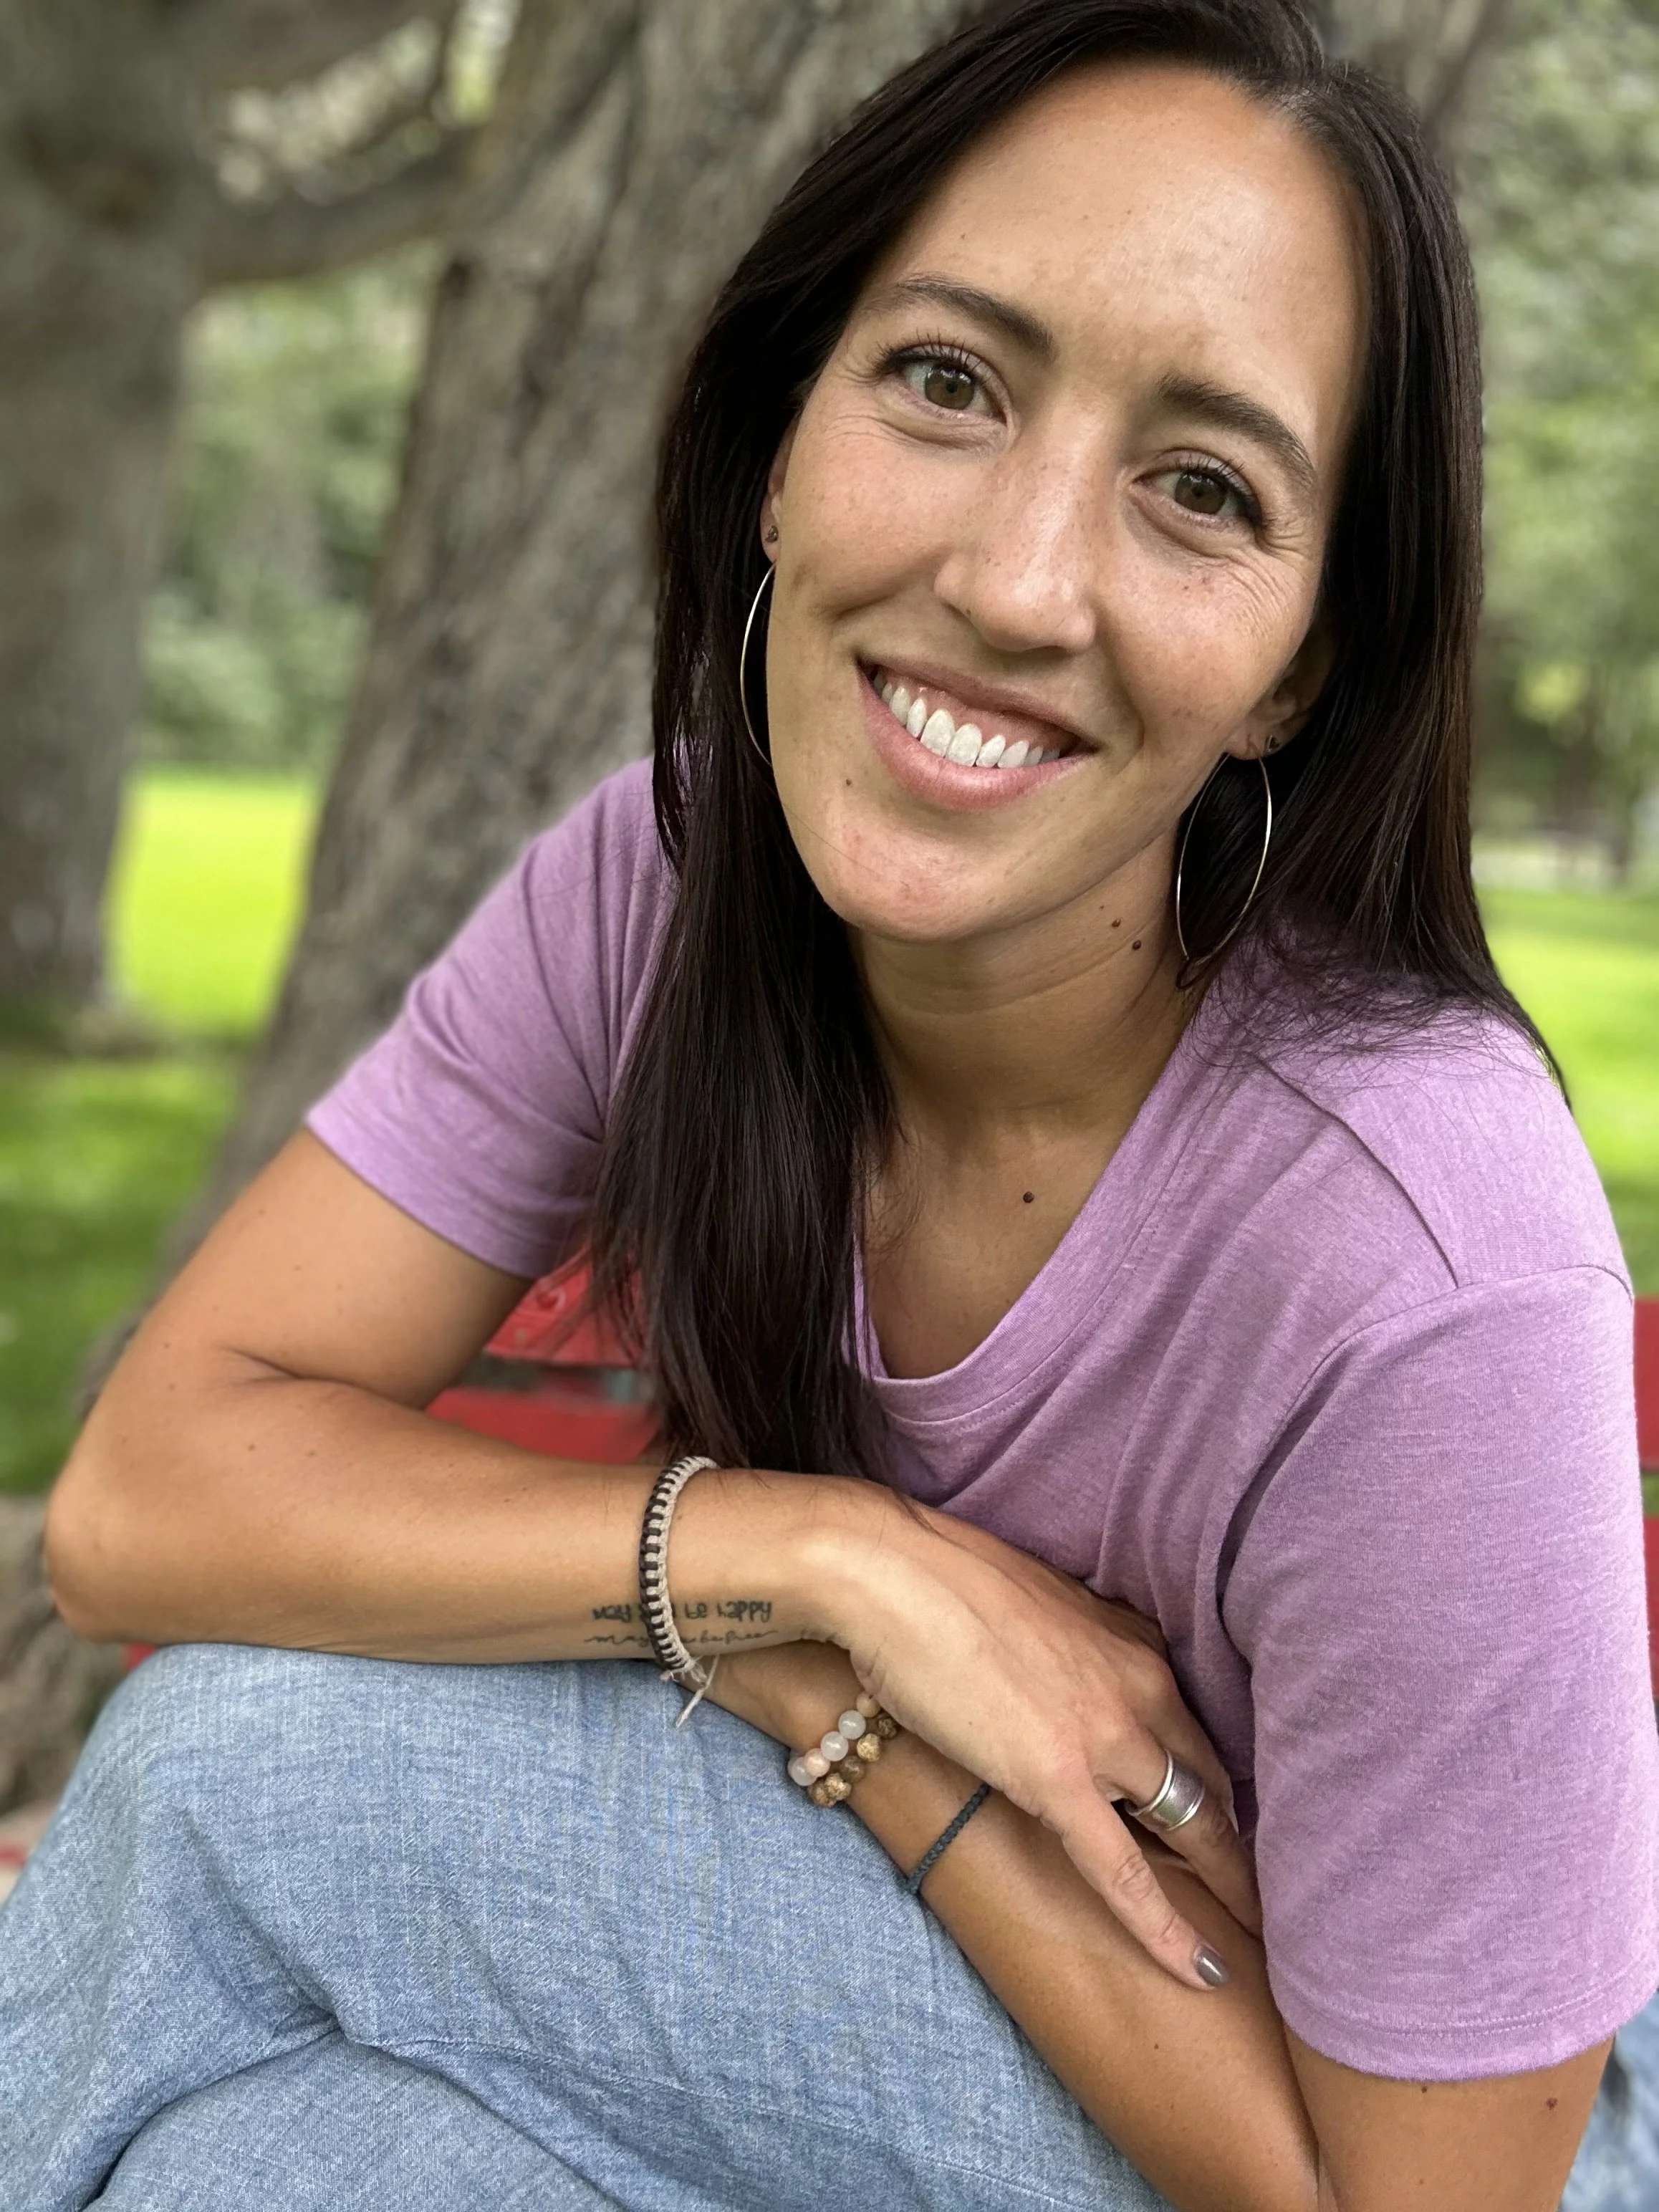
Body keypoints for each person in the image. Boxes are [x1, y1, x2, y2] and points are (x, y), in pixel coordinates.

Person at [3, 1, 1655, 2205]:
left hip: (1354, 2134)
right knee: (289, 2166)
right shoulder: (665, 887)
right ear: (780, 438)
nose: (1014, 581)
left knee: (239, 1775)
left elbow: (1428, 2197)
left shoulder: (1417, 1239)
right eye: (948, 382)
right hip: (907, 1968)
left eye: (1200, 491)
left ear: (1299, 668)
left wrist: (868, 1732)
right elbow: (146, 1499)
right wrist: (818, 1569)